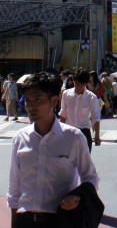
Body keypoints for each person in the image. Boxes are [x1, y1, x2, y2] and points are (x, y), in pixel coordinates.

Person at [7, 72, 99, 228]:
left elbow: (90, 177)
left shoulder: (74, 138)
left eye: (38, 100)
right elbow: (14, 188)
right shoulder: (20, 138)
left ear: (54, 101)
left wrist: (77, 197)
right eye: (28, 101)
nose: (31, 107)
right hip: (25, 220)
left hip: (59, 219)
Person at [59, 69, 101, 152]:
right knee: (68, 162)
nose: (78, 86)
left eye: (81, 84)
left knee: (84, 163)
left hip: (84, 133)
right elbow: (63, 114)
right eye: (76, 83)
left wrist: (97, 136)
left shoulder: (91, 97)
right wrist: (59, 132)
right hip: (68, 132)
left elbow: (95, 117)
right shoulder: (66, 94)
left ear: (86, 84)